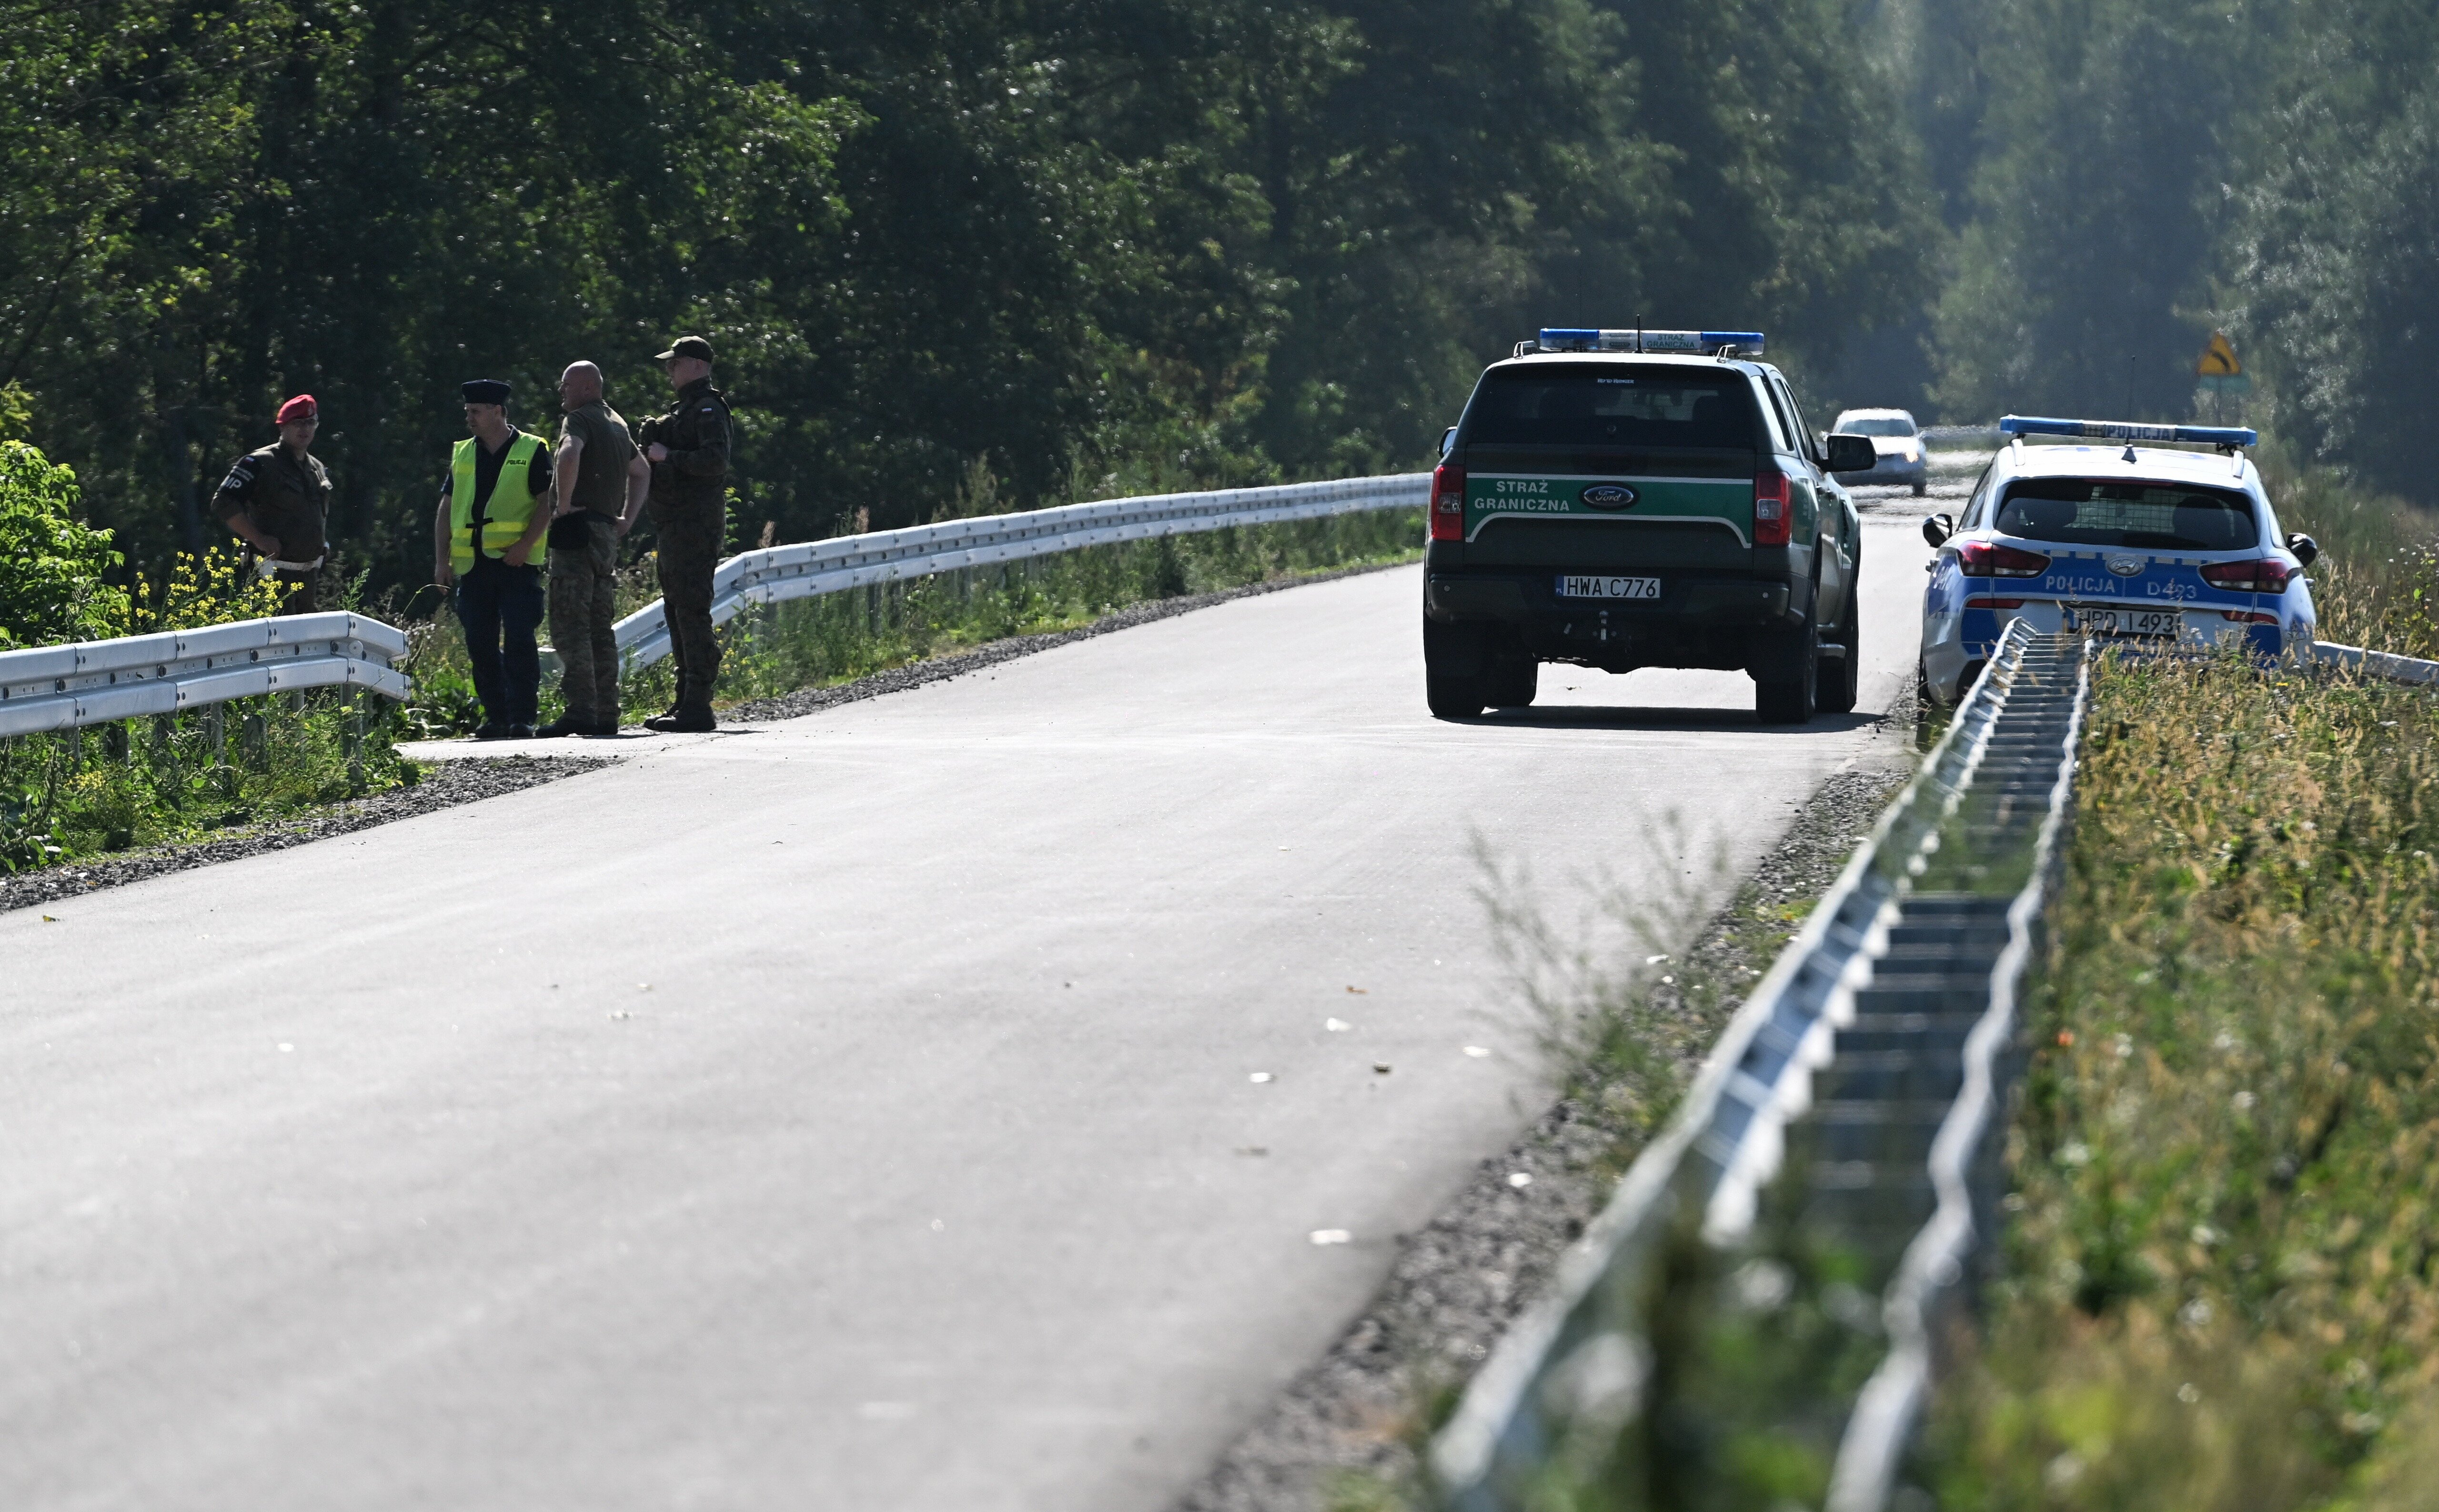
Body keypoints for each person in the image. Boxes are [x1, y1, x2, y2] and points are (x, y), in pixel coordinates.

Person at [432, 379, 552, 740]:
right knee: (480, 644)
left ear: (499, 412)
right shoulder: (463, 452)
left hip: (517, 564)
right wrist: (442, 560)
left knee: (519, 639)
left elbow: (548, 503)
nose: (469, 418)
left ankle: (522, 717)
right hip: (473, 566)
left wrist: (525, 544)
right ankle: (495, 716)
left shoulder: (532, 449)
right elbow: (447, 508)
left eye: (476, 412)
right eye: (468, 411)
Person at [537, 361, 649, 738]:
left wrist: (563, 505)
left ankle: (581, 709)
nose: (561, 393)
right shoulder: (618, 423)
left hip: (578, 531)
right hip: (604, 532)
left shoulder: (581, 419)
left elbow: (569, 453)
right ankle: (606, 709)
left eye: (565, 385)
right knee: (601, 625)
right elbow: (643, 471)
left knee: (571, 623)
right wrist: (627, 518)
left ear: (585, 387)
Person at [635, 335, 732, 732]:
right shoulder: (687, 409)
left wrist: (667, 456)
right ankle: (685, 701)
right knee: (676, 610)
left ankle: (698, 705)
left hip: (694, 523)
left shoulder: (708, 408)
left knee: (691, 609)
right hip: (676, 523)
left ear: (695, 364)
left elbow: (715, 461)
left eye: (675, 363)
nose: (670, 371)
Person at [212, 394, 333, 614]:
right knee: (274, 645)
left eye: (310, 422)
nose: (304, 429)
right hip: (271, 576)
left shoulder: (317, 467)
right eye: (297, 423)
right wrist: (258, 539)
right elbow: (223, 502)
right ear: (283, 426)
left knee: (308, 647)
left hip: (308, 580)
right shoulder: (259, 463)